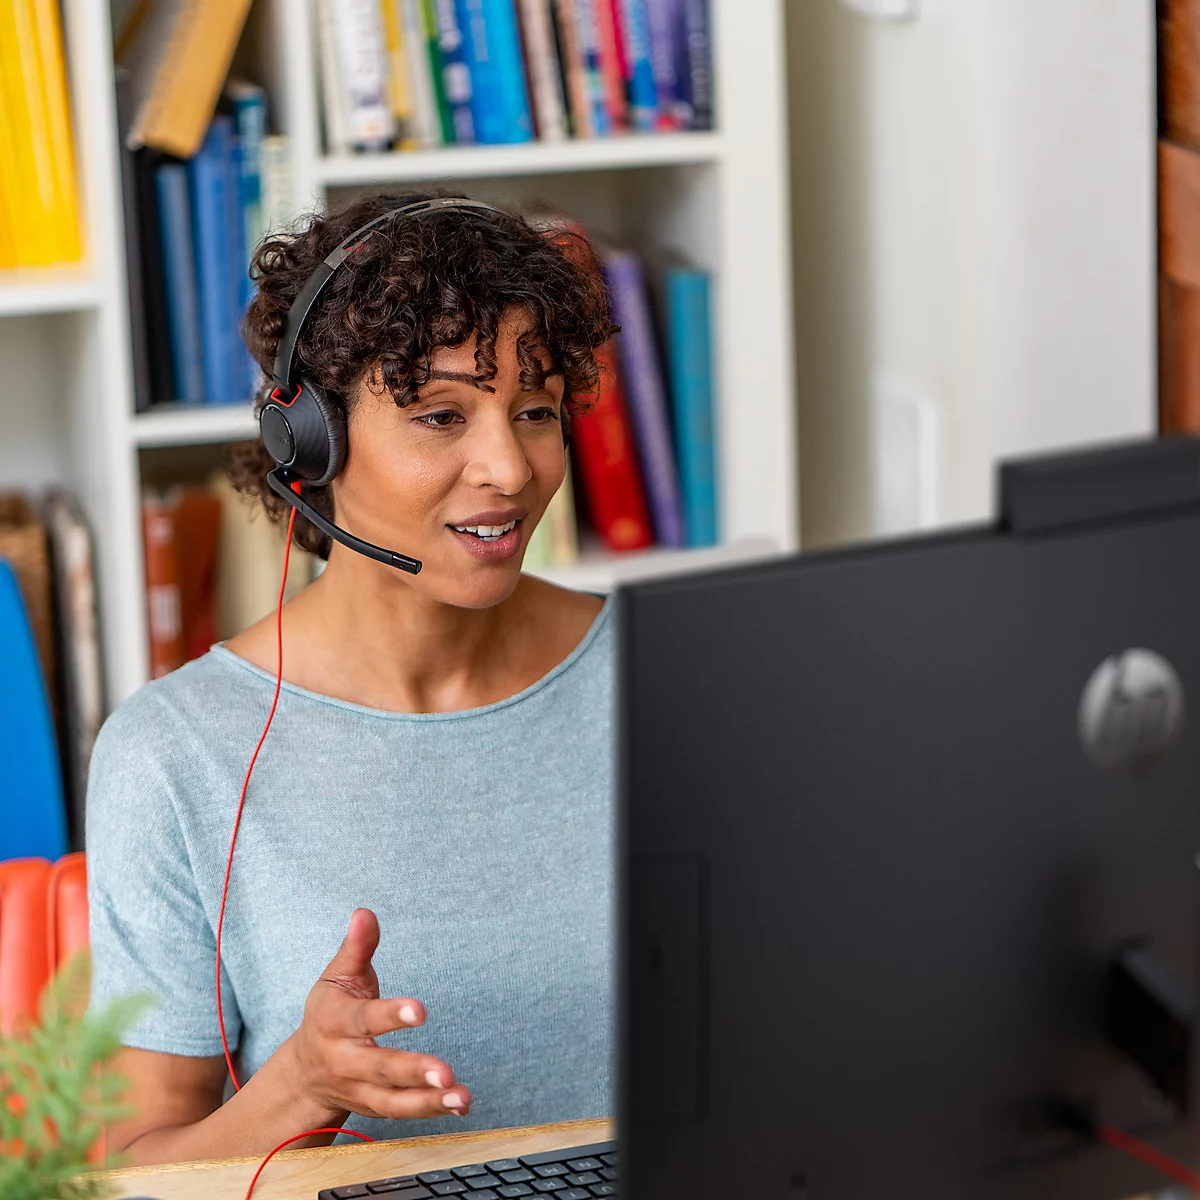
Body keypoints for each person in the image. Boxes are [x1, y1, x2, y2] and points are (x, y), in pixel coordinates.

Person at [86, 193, 617, 1165]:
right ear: (311, 446)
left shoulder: (663, 675)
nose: (509, 466)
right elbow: (122, 1171)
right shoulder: (173, 756)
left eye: (535, 411)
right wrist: (302, 1086)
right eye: (440, 415)